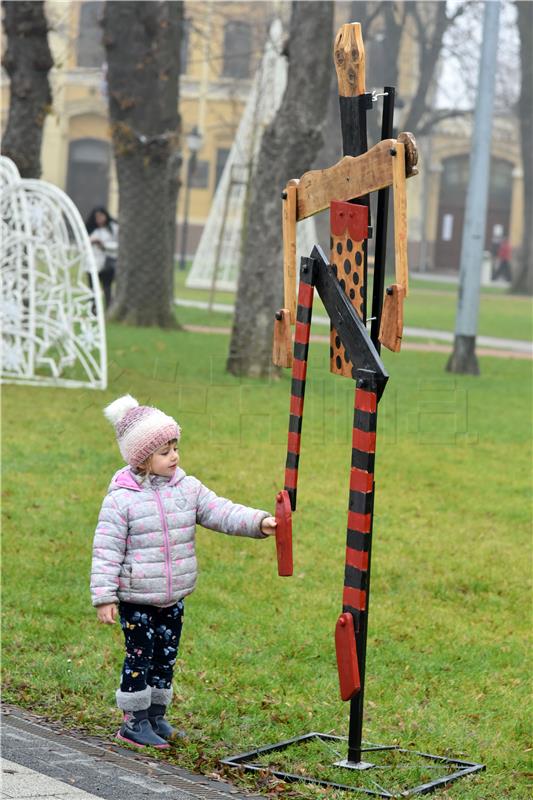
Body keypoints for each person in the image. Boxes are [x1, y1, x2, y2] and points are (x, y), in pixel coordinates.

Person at [90, 395, 277, 749]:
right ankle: (133, 721)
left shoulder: (187, 488)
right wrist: (104, 597)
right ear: (142, 458)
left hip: (173, 596)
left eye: (175, 447)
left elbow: (219, 510)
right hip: (136, 598)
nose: (174, 456)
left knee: (165, 655)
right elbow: (106, 548)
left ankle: (156, 716)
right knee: (139, 656)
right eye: (164, 451)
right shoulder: (121, 499)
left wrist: (258, 522)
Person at [85, 207, 118, 309]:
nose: (99, 219)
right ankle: (94, 310)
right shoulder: (90, 229)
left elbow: (118, 245)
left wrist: (104, 246)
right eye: (97, 217)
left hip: (107, 263)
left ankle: (108, 308)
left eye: (101, 216)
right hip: (92, 264)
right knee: (93, 289)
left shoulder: (114, 228)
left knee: (107, 287)